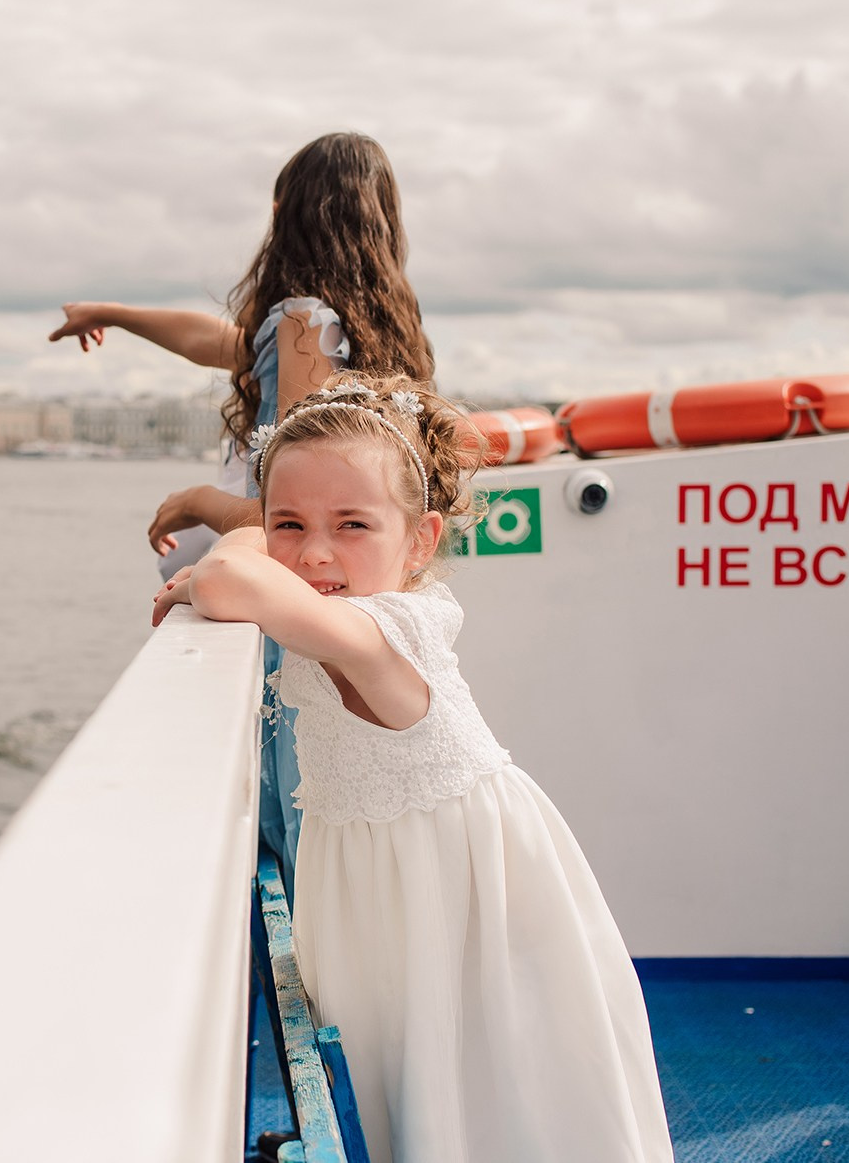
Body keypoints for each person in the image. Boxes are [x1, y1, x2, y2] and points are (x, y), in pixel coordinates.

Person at [153, 375, 674, 1163]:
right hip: (388, 882)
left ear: (421, 541)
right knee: (407, 1074)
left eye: (352, 524)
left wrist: (213, 564)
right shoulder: (339, 608)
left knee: (492, 1084)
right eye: (288, 522)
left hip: (455, 893)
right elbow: (252, 571)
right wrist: (245, 548)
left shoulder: (387, 628)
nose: (315, 552)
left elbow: (232, 578)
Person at [51, 132, 435, 891]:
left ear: (292, 212)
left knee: (293, 799)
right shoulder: (346, 323)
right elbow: (217, 342)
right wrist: (116, 313)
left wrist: (199, 503)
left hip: (286, 601)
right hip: (329, 596)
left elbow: (291, 502)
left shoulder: (304, 320)